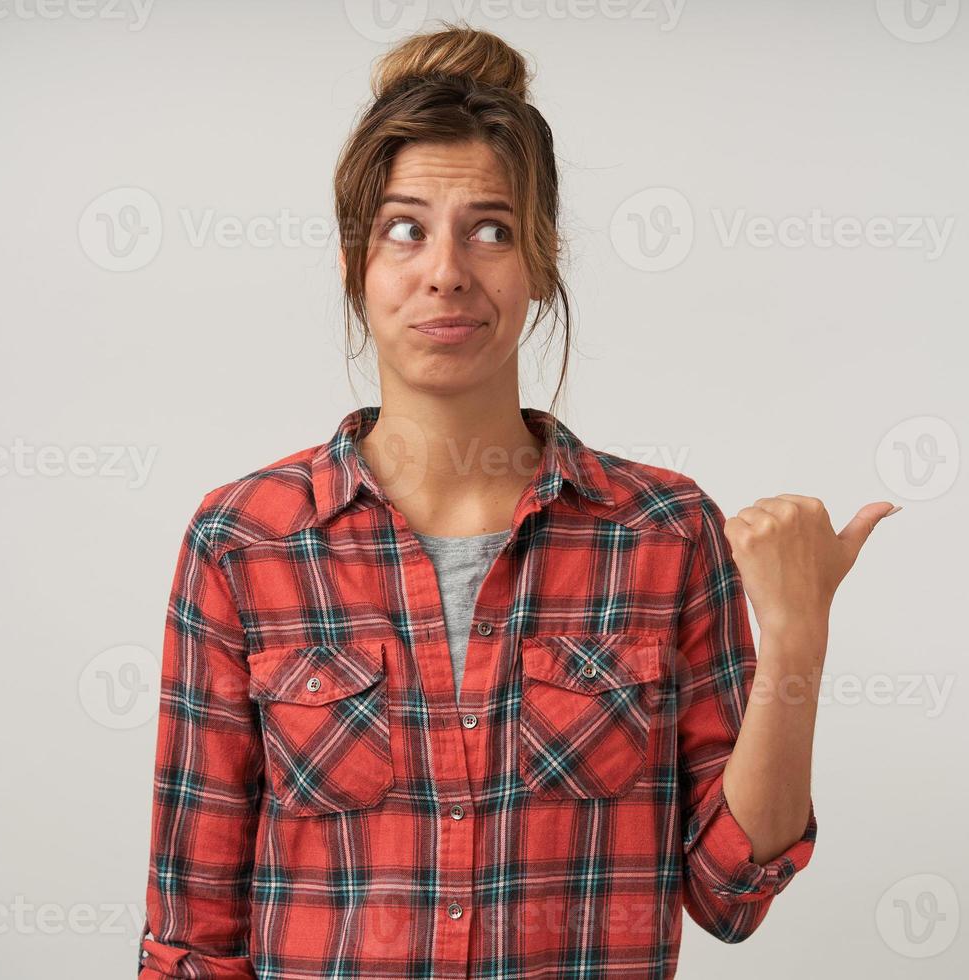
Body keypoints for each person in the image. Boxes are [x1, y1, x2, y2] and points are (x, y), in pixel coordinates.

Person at [137, 22, 898, 979]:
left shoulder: (662, 534)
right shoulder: (243, 542)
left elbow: (730, 893)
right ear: (353, 265)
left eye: (489, 230)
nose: (446, 270)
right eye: (403, 229)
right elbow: (192, 937)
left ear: (540, 263)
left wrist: (798, 641)